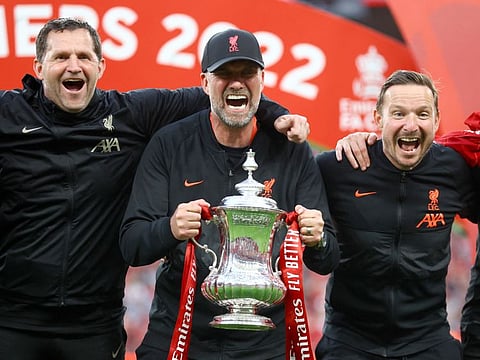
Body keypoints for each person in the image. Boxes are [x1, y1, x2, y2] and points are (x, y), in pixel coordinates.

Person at [0, 18, 310, 360]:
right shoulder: (7, 115)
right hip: (11, 319)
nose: (74, 66)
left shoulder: (131, 114)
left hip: (93, 325)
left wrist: (278, 115)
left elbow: (223, 94)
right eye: (61, 57)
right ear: (39, 67)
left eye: (84, 56)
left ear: (100, 66)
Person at [119, 28, 339, 360]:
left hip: (267, 343)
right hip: (181, 336)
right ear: (205, 83)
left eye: (247, 73)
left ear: (262, 80)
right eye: (224, 73)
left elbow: (327, 259)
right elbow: (131, 244)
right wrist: (170, 228)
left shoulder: (292, 151)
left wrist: (317, 237)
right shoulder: (169, 144)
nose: (237, 83)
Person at [315, 69, 478, 359]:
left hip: (427, 340)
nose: (411, 125)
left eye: (423, 114)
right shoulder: (338, 166)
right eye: (399, 114)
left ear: (437, 120)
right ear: (378, 119)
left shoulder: (455, 169)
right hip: (350, 341)